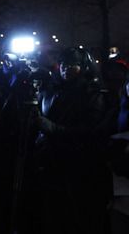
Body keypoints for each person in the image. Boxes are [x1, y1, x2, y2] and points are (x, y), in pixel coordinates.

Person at [28, 47, 110, 234]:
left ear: (83, 67)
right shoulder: (50, 88)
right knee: (50, 212)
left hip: (76, 163)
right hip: (48, 159)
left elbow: (91, 130)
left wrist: (55, 129)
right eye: (64, 64)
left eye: (72, 65)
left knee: (75, 216)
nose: (66, 69)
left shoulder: (92, 93)